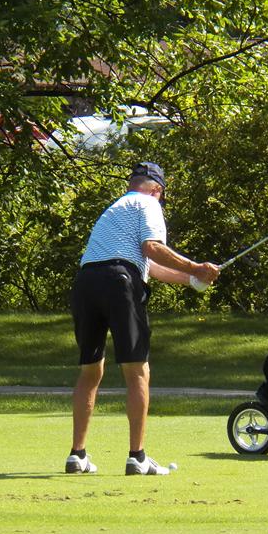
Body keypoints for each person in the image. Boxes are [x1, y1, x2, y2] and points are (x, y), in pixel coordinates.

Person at [66, 161, 219, 476]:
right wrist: (197, 267)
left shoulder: (116, 209)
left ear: (132, 183)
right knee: (137, 371)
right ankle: (137, 457)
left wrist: (192, 279)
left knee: (90, 370)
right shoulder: (148, 203)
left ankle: (77, 455)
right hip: (119, 283)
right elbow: (152, 247)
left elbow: (148, 263)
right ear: (158, 189)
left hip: (86, 283)